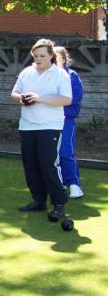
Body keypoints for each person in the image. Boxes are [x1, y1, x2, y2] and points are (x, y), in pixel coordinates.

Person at [11, 39, 72, 220]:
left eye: (42, 56)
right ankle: (38, 201)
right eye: (35, 55)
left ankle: (59, 204)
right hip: (27, 126)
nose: (38, 59)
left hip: (50, 126)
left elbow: (66, 100)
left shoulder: (60, 74)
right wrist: (22, 98)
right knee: (31, 166)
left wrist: (39, 98)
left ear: (51, 56)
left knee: (48, 165)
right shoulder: (26, 72)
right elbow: (14, 93)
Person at [54, 46, 84, 199]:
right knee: (53, 154)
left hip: (66, 120)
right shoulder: (47, 75)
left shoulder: (72, 75)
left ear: (64, 60)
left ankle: (74, 185)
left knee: (66, 152)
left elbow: (76, 97)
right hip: (48, 120)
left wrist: (55, 102)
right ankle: (61, 183)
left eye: (56, 58)